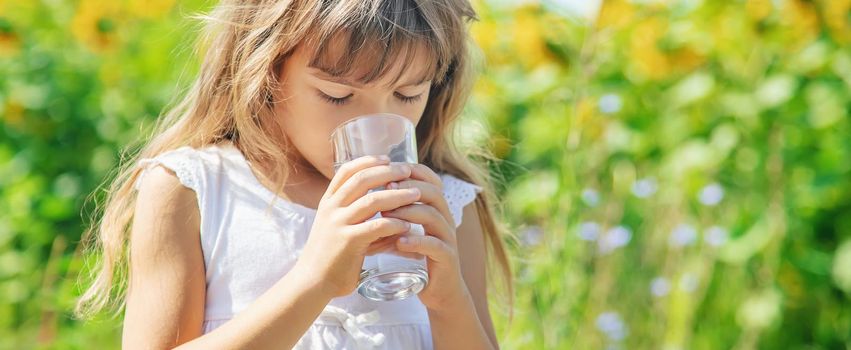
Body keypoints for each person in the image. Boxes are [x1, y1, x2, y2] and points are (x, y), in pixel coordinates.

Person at [75, 0, 512, 348]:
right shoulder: (194, 188)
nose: (377, 121)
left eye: (407, 94)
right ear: (264, 70)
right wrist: (314, 282)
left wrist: (449, 302)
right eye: (337, 95)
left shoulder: (447, 206)